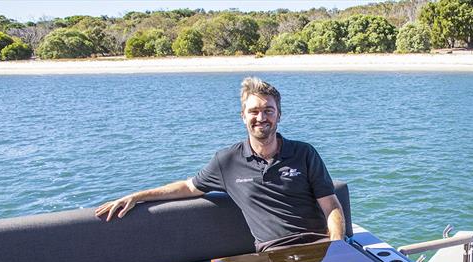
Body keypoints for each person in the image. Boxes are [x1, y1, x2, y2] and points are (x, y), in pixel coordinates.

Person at [95, 77, 345, 251]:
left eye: (269, 110)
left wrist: (337, 247)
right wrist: (138, 197)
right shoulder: (227, 161)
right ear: (243, 116)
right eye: (254, 111)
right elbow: (188, 187)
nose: (261, 117)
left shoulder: (304, 153)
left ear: (279, 114)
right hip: (273, 254)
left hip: (320, 245)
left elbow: (331, 205)